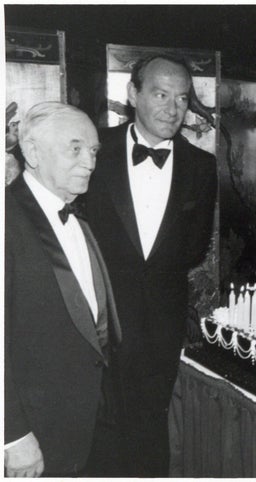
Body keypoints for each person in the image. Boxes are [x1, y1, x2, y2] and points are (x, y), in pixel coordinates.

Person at [83, 54, 217, 476]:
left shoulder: (202, 166)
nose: (172, 108)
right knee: (98, 428)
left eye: (181, 98)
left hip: (162, 320)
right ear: (133, 94)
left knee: (150, 428)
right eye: (160, 94)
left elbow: (195, 247)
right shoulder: (93, 152)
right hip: (96, 319)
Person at [5, 102, 122, 477]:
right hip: (34, 431)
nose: (89, 161)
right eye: (75, 148)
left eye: (93, 151)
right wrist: (13, 435)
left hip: (84, 422)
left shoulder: (77, 216)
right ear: (33, 152)